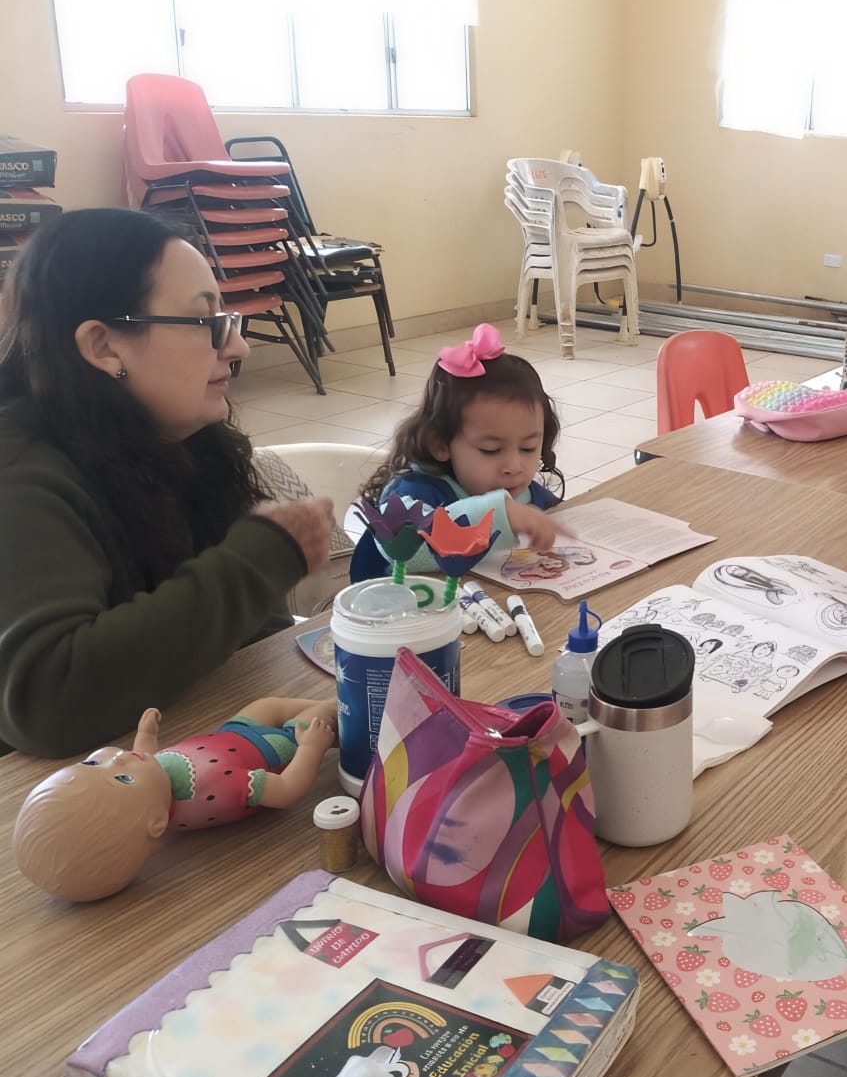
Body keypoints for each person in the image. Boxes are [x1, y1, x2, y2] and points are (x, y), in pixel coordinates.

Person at [0, 209, 331, 759]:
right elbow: (44, 700)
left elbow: (250, 640)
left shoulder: (184, 438)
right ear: (104, 347)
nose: (238, 347)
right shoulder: (20, 477)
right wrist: (257, 561)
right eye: (204, 322)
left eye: (227, 318)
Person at [12, 697, 337, 902]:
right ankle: (338, 705)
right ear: (156, 823)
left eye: (93, 763)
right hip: (273, 748)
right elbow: (286, 791)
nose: (119, 759)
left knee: (267, 705)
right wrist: (310, 747)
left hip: (233, 731)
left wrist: (146, 738)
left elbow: (152, 767)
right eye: (122, 779)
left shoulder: (151, 793)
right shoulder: (214, 790)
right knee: (320, 715)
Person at [351, 323, 563, 580]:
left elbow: (559, 520)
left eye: (528, 448)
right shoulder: (413, 493)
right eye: (491, 450)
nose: (514, 466)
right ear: (440, 444)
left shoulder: (525, 492)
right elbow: (409, 552)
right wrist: (501, 515)